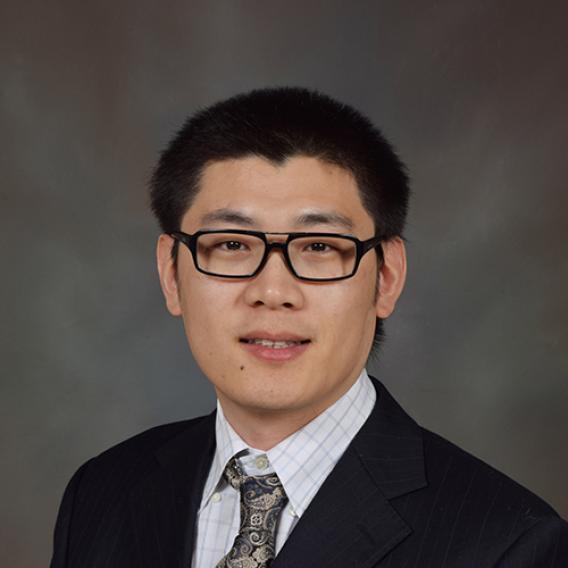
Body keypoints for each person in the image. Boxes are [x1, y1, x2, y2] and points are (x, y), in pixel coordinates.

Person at [50, 87, 568, 568]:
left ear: (385, 278)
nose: (273, 292)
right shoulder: (103, 492)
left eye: (319, 247)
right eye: (232, 244)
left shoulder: (509, 544)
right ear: (171, 273)